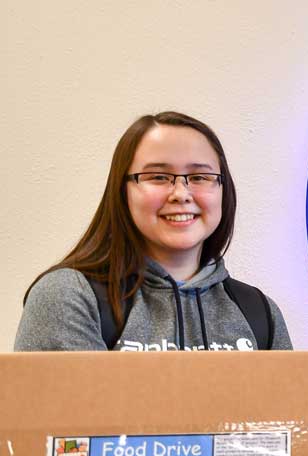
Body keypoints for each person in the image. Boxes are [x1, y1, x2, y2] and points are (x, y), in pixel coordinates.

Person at [16, 111, 291, 352]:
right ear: (122, 191)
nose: (181, 194)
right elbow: (73, 412)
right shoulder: (70, 297)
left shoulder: (261, 314)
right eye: (158, 177)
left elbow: (287, 412)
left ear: (223, 190)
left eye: (199, 177)